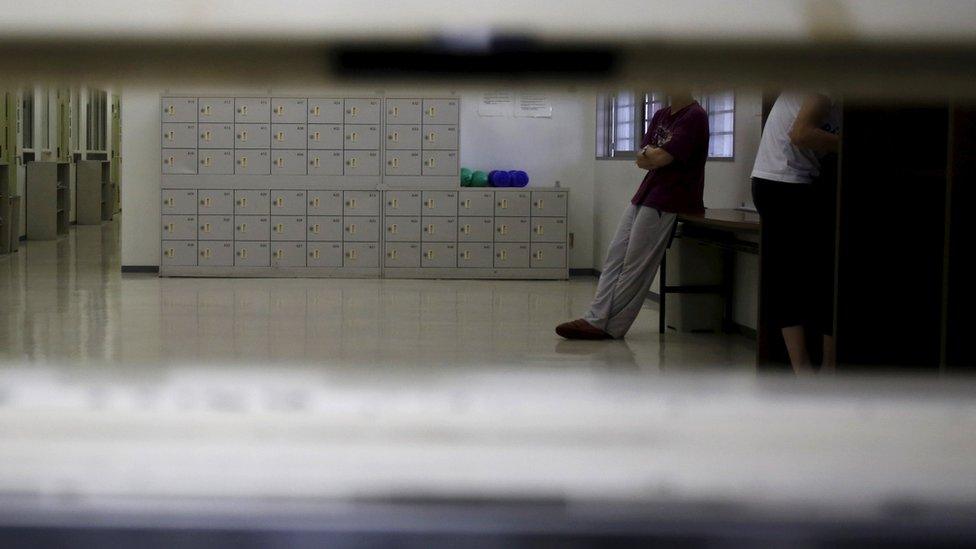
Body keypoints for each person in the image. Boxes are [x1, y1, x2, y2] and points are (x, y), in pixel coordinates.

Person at [556, 90, 709, 340]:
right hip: (646, 193)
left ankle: (610, 326)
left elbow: (659, 156)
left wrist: (654, 156)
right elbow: (642, 159)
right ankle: (596, 317)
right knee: (615, 256)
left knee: (635, 265)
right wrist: (653, 157)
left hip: (671, 199)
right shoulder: (660, 115)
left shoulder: (694, 116)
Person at [750, 92, 840, 374]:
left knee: (793, 279)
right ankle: (815, 370)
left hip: (779, 181)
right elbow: (800, 134)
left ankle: (810, 370)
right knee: (811, 277)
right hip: (785, 183)